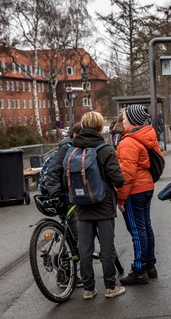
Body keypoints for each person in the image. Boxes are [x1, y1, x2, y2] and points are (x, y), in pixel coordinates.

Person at [72, 111, 126, 300]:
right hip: (103, 205)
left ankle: (88, 289)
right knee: (107, 247)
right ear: (99, 127)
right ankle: (110, 287)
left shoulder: (74, 149)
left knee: (85, 248)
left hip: (82, 206)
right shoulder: (105, 149)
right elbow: (118, 179)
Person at [116, 104, 163, 285]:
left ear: (133, 121)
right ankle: (150, 266)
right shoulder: (145, 137)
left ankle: (139, 270)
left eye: (125, 117)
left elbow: (126, 176)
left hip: (134, 191)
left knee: (137, 231)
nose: (123, 120)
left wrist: (121, 198)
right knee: (146, 228)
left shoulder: (128, 142)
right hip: (146, 187)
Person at [46, 122, 83, 288]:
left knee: (72, 235)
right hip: (64, 197)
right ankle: (66, 276)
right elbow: (52, 171)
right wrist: (56, 194)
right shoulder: (66, 148)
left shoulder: (72, 146)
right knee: (77, 237)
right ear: (75, 135)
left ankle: (67, 274)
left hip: (70, 195)